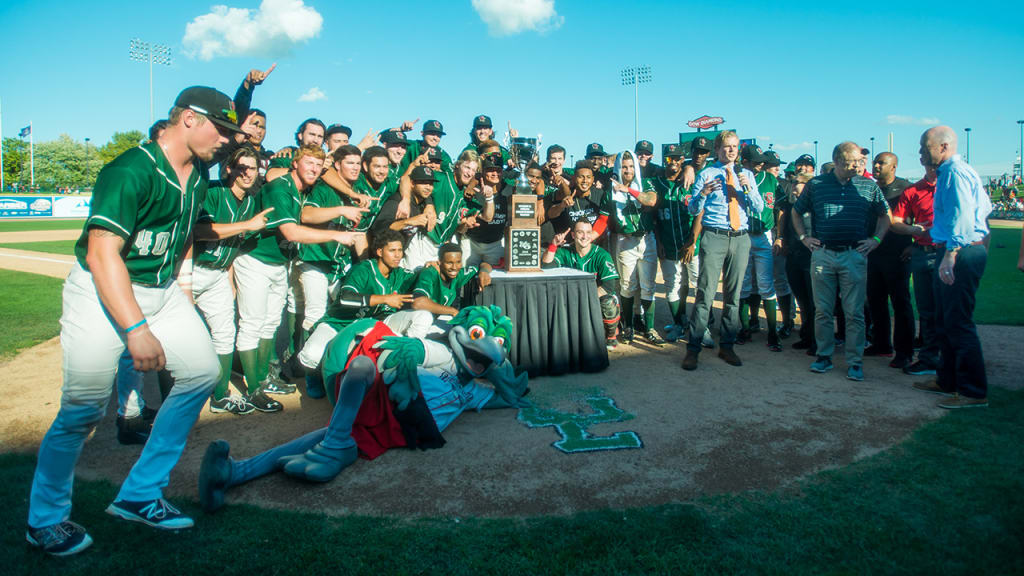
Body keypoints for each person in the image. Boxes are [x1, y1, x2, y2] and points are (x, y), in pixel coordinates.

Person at [26, 86, 246, 555]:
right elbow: (103, 254)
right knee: (82, 409)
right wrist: (136, 330)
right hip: (101, 291)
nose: (227, 139)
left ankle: (140, 492)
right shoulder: (130, 169)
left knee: (203, 373)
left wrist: (180, 289)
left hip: (161, 290)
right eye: (221, 128)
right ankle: (43, 520)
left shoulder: (199, 172)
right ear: (189, 118)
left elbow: (185, 236)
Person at [233, 145, 363, 410]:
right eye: (309, 163)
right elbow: (292, 231)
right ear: (295, 164)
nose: (314, 169)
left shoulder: (298, 189)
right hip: (255, 259)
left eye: (318, 165)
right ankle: (253, 389)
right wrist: (337, 235)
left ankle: (264, 379)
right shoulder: (279, 187)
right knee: (253, 324)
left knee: (269, 323)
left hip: (278, 262)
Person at [791, 142, 890, 381]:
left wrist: (875, 240)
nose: (856, 166)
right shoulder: (817, 185)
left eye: (858, 161)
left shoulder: (868, 186)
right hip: (823, 253)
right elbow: (796, 211)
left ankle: (854, 361)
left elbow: (885, 215)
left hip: (853, 254)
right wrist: (804, 237)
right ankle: (824, 356)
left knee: (854, 312)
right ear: (836, 161)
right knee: (823, 311)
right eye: (850, 162)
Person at [191, 147, 277, 414]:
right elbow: (199, 230)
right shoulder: (214, 192)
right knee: (170, 337)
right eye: (242, 167)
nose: (248, 173)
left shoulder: (251, 202)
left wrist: (229, 277)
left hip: (217, 274)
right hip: (190, 271)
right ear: (229, 169)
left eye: (253, 168)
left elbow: (235, 247)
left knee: (225, 333)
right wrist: (246, 226)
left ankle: (220, 396)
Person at [911, 126, 991, 408]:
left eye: (925, 147)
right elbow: (986, 208)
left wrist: (952, 253)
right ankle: (947, 380)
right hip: (960, 249)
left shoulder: (955, 173)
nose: (921, 153)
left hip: (958, 251)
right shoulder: (952, 173)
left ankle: (972, 392)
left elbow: (963, 216)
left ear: (943, 147)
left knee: (958, 322)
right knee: (945, 320)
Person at [682, 131, 764, 371]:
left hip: (740, 238)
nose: (731, 150)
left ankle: (727, 346)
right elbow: (692, 209)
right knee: (705, 293)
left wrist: (748, 189)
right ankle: (693, 349)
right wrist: (703, 194)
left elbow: (758, 208)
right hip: (714, 236)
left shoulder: (746, 175)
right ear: (717, 149)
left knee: (733, 296)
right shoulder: (706, 174)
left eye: (735, 147)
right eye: (727, 147)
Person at [297, 229, 429, 372]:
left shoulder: (398, 273)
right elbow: (345, 298)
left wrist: (430, 267)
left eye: (400, 250)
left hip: (372, 326)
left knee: (423, 317)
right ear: (379, 252)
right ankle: (312, 379)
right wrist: (384, 299)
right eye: (392, 250)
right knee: (311, 356)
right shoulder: (363, 269)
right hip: (339, 324)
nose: (397, 255)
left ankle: (404, 361)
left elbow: (418, 277)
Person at [601, 150, 660, 345]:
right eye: (624, 167)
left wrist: (630, 191)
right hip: (624, 240)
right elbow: (603, 218)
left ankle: (649, 327)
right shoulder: (610, 188)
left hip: (646, 238)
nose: (628, 171)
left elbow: (651, 200)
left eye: (631, 166)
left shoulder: (645, 183)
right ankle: (628, 325)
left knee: (648, 285)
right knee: (627, 285)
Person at [865, 152, 914, 368]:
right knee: (875, 301)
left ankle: (904, 352)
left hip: (898, 254)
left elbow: (921, 219)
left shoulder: (906, 188)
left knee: (900, 303)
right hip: (873, 253)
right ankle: (881, 344)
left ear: (894, 166)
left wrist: (914, 245)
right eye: (875, 162)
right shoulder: (869, 188)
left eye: (881, 163)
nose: (876, 166)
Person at [891, 165, 940, 376]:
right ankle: (929, 358)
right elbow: (896, 221)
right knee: (927, 309)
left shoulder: (954, 187)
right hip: (923, 252)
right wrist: (912, 232)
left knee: (950, 308)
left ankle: (952, 357)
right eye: (929, 165)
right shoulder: (913, 190)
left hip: (949, 252)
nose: (933, 169)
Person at [650, 143, 702, 342]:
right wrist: (659, 242)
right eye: (670, 158)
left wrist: (693, 241)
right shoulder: (656, 183)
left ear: (683, 160)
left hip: (692, 244)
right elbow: (654, 217)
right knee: (673, 285)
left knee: (698, 285)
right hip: (668, 243)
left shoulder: (692, 181)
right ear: (664, 160)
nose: (673, 161)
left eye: (678, 158)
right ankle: (679, 323)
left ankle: (700, 325)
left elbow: (700, 212)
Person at [543, 220, 621, 348]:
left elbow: (609, 285)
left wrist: (586, 300)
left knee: (608, 303)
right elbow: (546, 267)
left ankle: (611, 334)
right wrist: (553, 245)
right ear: (573, 235)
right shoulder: (566, 251)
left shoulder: (601, 254)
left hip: (596, 298)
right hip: (572, 299)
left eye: (588, 233)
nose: (585, 237)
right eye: (580, 232)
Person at [737, 145, 781, 352]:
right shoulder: (735, 177)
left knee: (766, 284)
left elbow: (781, 208)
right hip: (743, 235)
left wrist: (780, 236)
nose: (760, 164)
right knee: (744, 285)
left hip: (764, 235)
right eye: (755, 161)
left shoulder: (770, 179)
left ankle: (773, 333)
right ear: (744, 161)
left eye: (760, 161)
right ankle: (745, 328)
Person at [412, 243, 492, 323]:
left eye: (458, 262)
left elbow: (485, 264)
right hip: (409, 316)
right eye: (449, 263)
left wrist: (484, 272)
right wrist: (452, 311)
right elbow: (418, 303)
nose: (454, 267)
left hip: (431, 320)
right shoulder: (430, 273)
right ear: (439, 262)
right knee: (424, 317)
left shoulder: (458, 274)